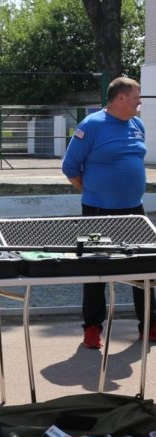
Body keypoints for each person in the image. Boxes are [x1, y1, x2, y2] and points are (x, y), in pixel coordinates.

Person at [61, 76, 155, 350]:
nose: (139, 103)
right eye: (136, 98)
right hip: (98, 211)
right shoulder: (91, 125)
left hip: (134, 211)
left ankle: (150, 325)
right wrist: (94, 192)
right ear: (121, 98)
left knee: (144, 268)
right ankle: (92, 328)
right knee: (95, 269)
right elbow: (70, 168)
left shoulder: (137, 125)